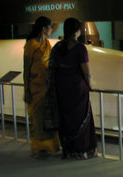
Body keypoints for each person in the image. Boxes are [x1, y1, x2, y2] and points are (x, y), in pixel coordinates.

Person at [47, 18, 97, 160]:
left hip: (61, 86)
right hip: (77, 88)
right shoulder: (80, 48)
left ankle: (68, 149)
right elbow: (86, 72)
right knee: (80, 118)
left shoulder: (58, 47)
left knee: (65, 118)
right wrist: (90, 84)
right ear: (77, 31)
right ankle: (81, 150)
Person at [23, 16, 60, 159]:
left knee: (48, 117)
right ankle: (39, 147)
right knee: (38, 119)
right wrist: (26, 90)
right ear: (44, 28)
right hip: (35, 88)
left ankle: (51, 146)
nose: (52, 29)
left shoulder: (47, 44)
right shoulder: (31, 45)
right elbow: (26, 68)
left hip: (47, 87)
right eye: (50, 27)